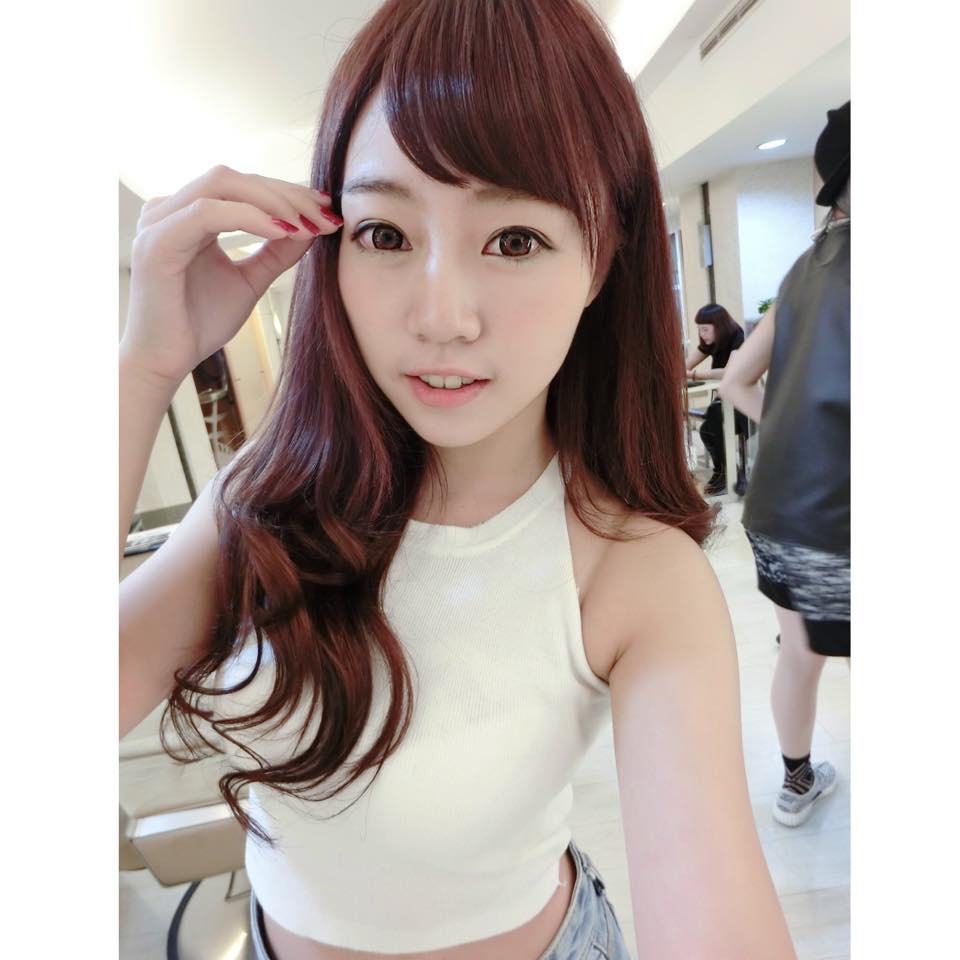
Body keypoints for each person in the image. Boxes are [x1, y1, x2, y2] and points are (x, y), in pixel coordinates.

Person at [119, 2, 797, 958]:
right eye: (385, 233)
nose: (441, 317)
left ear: (601, 259)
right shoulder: (261, 498)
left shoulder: (630, 569)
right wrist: (145, 370)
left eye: (514, 239)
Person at [719, 100, 850, 829]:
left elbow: (737, 382)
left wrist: (796, 433)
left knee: (799, 653)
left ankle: (796, 783)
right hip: (845, 516)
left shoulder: (803, 269)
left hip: (779, 512)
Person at [685, 303, 748, 495]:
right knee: (708, 428)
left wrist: (693, 375)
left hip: (744, 403)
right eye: (699, 329)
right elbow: (685, 366)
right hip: (724, 402)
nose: (701, 334)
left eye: (705, 329)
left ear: (718, 326)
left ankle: (727, 474)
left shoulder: (737, 336)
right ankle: (726, 472)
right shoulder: (710, 342)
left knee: (712, 420)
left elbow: (729, 372)